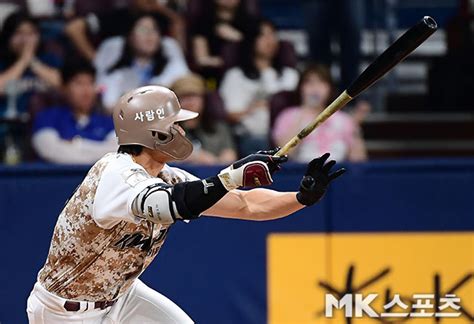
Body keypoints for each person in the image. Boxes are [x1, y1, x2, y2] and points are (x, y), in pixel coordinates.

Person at [26, 85, 345, 323]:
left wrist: (301, 198)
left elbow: (246, 205)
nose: (182, 130)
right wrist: (229, 178)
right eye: (174, 124)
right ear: (153, 133)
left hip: (120, 296)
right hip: (64, 312)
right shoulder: (116, 174)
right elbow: (172, 205)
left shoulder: (166, 174)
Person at [219, 19, 299, 156]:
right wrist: (253, 108)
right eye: (263, 35)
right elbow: (230, 114)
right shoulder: (236, 76)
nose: (270, 40)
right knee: (259, 144)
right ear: (251, 40)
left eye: (273, 34)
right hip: (252, 135)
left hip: (288, 133)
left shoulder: (290, 75)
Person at [273, 65, 367, 162]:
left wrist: (355, 127)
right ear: (300, 88)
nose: (315, 88)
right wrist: (303, 113)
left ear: (330, 89)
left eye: (321, 82)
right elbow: (283, 155)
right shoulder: (287, 116)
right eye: (309, 83)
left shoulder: (344, 120)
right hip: (300, 174)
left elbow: (358, 160)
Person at [32, 59, 116, 164]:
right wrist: (101, 149)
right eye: (79, 83)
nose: (86, 91)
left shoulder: (109, 122)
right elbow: (49, 151)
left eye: (90, 83)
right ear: (64, 88)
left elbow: (118, 154)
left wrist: (77, 144)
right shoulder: (47, 118)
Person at [98, 13, 189, 110]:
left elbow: (187, 90)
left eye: (154, 30)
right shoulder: (116, 72)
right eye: (142, 30)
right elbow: (108, 105)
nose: (149, 35)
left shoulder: (172, 64)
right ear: (130, 37)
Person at [65, 0, 185, 62]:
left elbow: (178, 51)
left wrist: (160, 8)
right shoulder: (116, 16)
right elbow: (73, 29)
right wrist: (96, 60)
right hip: (118, 72)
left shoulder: (161, 17)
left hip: (153, 72)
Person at [0, 11, 61, 117]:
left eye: (31, 34)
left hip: (46, 124)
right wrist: (23, 61)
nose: (25, 39)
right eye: (19, 33)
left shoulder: (50, 60)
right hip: (8, 124)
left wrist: (33, 62)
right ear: (8, 37)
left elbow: (64, 86)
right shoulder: (2, 62)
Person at [171, 74, 237, 164]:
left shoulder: (219, 127)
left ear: (204, 100)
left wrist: (216, 161)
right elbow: (162, 158)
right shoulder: (168, 130)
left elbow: (230, 155)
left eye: (194, 96)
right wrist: (195, 156)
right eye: (184, 97)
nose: (190, 102)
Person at [191, 0, 256, 73]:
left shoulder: (251, 23)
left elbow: (258, 58)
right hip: (213, 75)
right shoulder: (203, 22)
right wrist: (225, 61)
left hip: (247, 74)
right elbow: (201, 60)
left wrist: (239, 38)